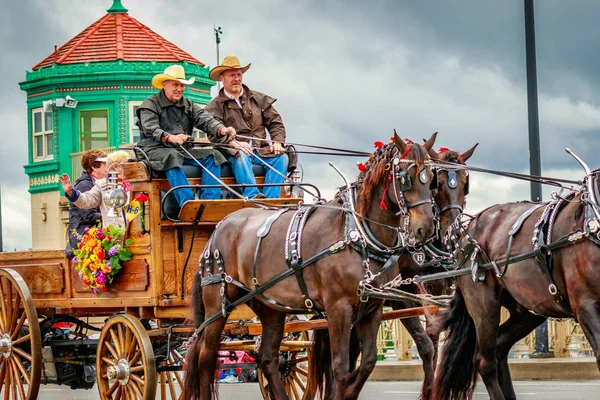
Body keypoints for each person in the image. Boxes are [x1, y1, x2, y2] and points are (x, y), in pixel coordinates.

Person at [136, 64, 238, 206]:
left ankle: (210, 203)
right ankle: (188, 204)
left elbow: (205, 119)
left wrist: (221, 129)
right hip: (153, 150)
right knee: (172, 156)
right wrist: (171, 137)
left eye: (182, 85)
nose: (179, 89)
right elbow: (151, 129)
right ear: (164, 85)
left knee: (213, 155)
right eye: (175, 85)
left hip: (182, 150)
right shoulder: (150, 105)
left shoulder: (188, 104)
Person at [205, 56, 288, 199]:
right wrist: (235, 144)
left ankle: (270, 201)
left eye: (239, 74)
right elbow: (213, 132)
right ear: (222, 78)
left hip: (261, 150)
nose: (236, 79)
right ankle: (253, 196)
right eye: (232, 75)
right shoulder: (215, 106)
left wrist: (277, 142)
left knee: (282, 157)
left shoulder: (258, 98)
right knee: (241, 155)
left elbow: (275, 122)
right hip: (232, 151)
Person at [60, 151, 132, 231]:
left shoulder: (137, 183)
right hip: (114, 234)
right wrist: (71, 192)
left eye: (129, 163)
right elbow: (87, 200)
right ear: (115, 166)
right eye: (125, 163)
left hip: (135, 233)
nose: (129, 166)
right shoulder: (103, 185)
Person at [65, 149, 107, 257]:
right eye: (105, 164)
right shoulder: (85, 185)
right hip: (84, 238)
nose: (108, 167)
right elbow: (89, 215)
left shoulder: (100, 183)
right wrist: (109, 217)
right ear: (94, 167)